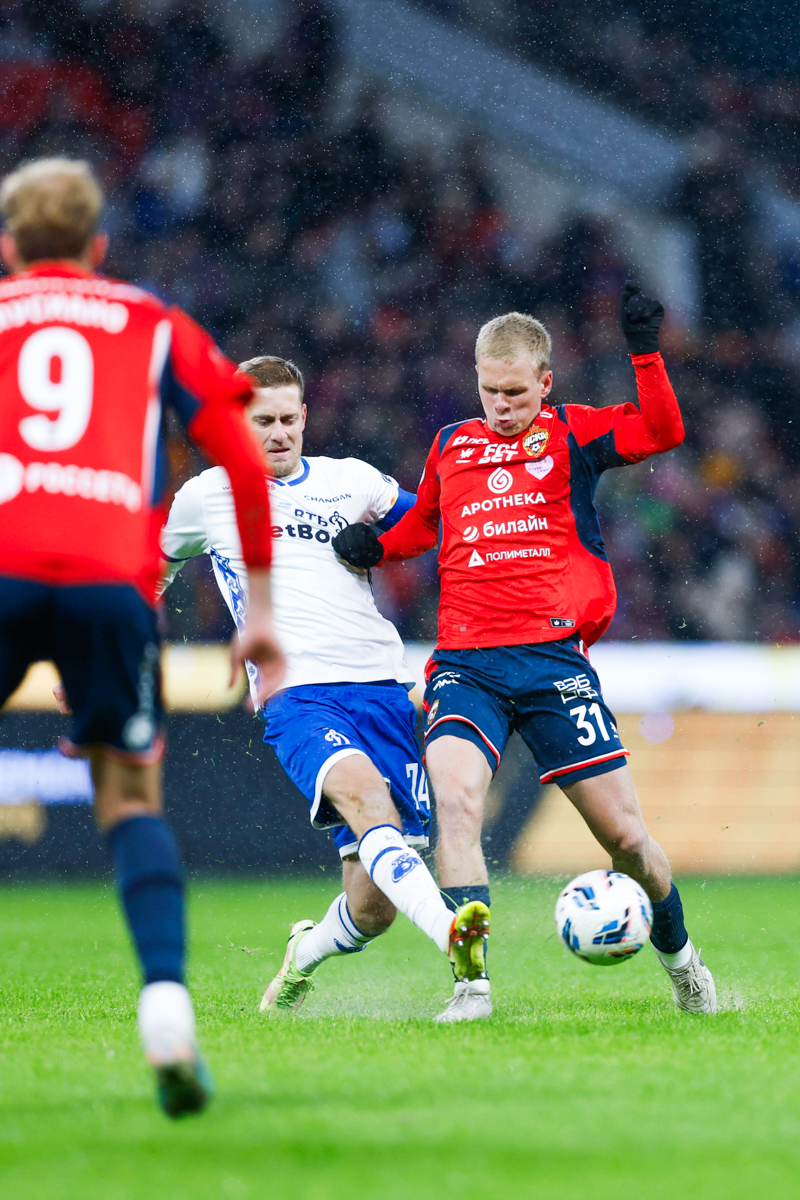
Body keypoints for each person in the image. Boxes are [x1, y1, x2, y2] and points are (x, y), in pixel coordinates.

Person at [332, 283, 718, 1021]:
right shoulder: (451, 444)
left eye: (515, 392)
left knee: (627, 839)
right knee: (456, 806)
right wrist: (377, 546)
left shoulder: (574, 433)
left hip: (553, 663)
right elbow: (425, 526)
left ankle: (683, 963)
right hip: (466, 664)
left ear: (545, 382)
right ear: (476, 379)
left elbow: (662, 430)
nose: (502, 405)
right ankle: (471, 986)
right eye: (490, 391)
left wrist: (645, 355)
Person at [0, 158, 285, 1116]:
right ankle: (166, 1007)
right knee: (128, 798)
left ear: (9, 247)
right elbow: (238, 454)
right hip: (109, 584)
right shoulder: (151, 321)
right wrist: (262, 610)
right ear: (99, 245)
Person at [160, 355, 490, 1016]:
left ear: (305, 416)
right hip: (299, 696)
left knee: (372, 909)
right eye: (263, 422)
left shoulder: (352, 480)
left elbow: (430, 524)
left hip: (383, 691)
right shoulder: (207, 495)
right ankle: (455, 945)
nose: (279, 433)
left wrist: (389, 542)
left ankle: (303, 956)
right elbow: (150, 572)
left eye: (289, 419)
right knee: (367, 800)